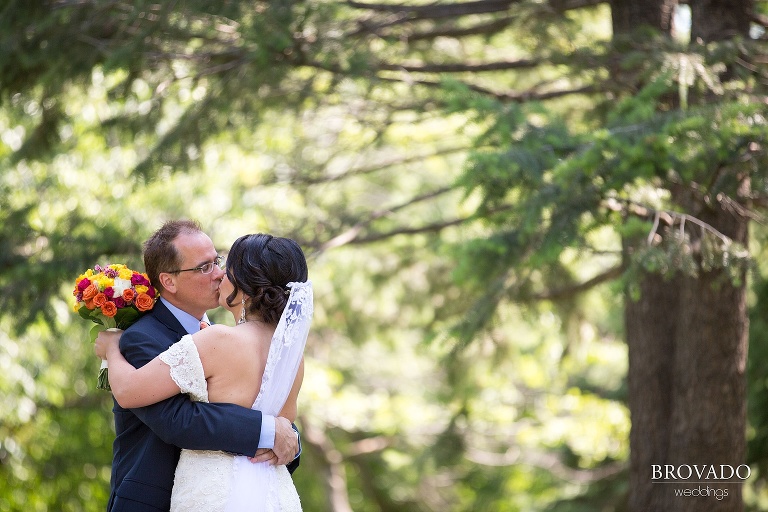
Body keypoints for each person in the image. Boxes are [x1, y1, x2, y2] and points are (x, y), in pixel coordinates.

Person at [98, 220, 303, 511]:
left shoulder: (221, 336)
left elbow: (275, 413)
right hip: (157, 500)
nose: (219, 274)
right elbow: (177, 419)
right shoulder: (140, 338)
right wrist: (270, 431)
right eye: (204, 267)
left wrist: (291, 438)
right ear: (168, 281)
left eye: (217, 262)